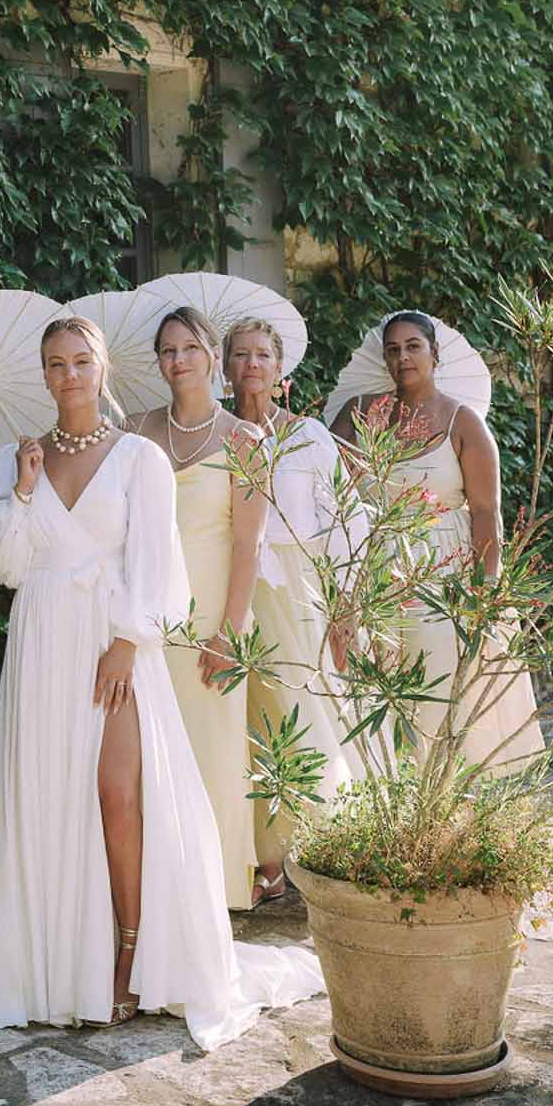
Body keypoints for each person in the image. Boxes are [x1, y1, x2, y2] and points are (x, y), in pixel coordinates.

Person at [0, 315, 323, 1046]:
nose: (69, 375)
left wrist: (128, 642)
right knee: (51, 796)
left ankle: (131, 951)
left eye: (81, 361)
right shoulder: (14, 459)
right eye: (56, 364)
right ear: (44, 374)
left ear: (103, 368)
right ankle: (56, 962)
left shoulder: (139, 457)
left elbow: (159, 562)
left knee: (119, 795)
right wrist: (25, 493)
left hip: (115, 640)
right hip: (42, 642)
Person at [332, 310, 544, 768]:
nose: (403, 357)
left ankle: (439, 789)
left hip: (442, 568)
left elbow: (486, 513)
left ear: (434, 353)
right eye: (393, 349)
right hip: (373, 564)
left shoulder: (463, 423)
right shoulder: (360, 412)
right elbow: (324, 482)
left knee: (436, 678)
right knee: (375, 681)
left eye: (413, 346)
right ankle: (385, 786)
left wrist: (484, 592)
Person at [128, 306, 267, 911]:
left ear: (213, 356)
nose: (178, 360)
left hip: (214, 617)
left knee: (211, 753)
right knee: (148, 755)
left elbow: (248, 545)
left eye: (189, 348)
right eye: (167, 350)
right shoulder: (134, 431)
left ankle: (211, 895)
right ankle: (155, 895)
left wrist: (229, 633)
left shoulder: (244, 441)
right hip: (149, 619)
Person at [222, 318, 359, 902]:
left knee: (302, 719)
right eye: (240, 355)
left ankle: (331, 847)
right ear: (224, 367)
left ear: (280, 370)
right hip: (229, 589)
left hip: (297, 595)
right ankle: (264, 861)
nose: (251, 364)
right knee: (242, 726)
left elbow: (345, 520)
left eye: (262, 355)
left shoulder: (308, 437)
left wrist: (346, 606)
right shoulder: (216, 435)